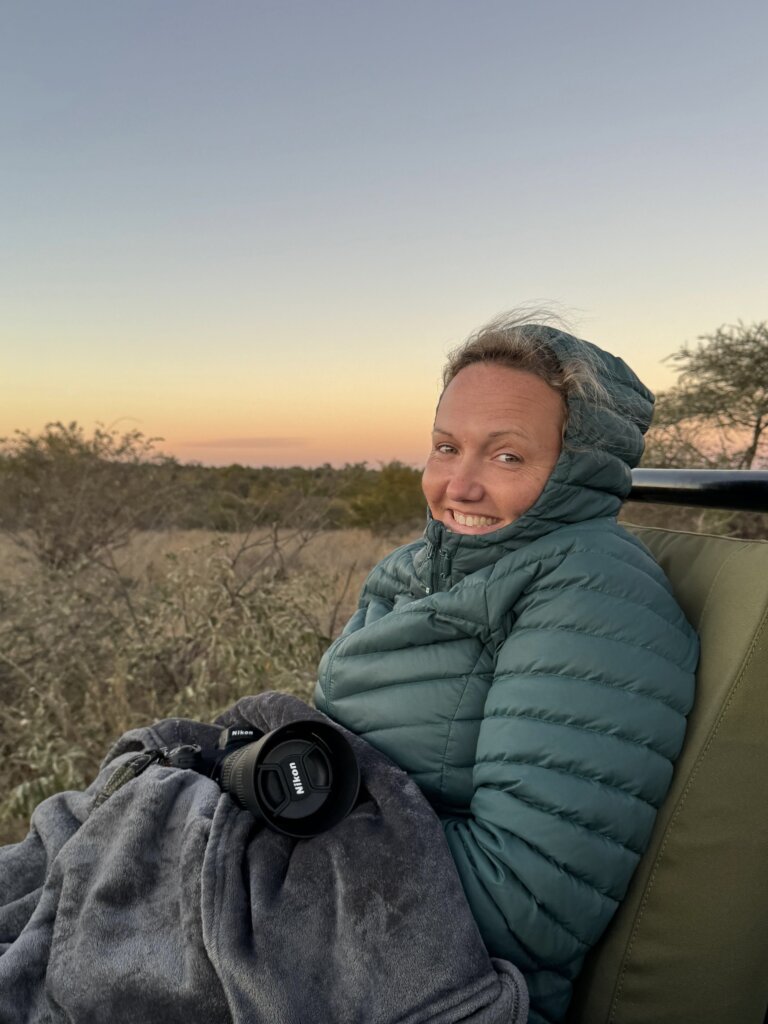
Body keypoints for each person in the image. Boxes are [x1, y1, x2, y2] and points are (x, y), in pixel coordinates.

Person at [314, 311, 699, 1024]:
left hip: (440, 979)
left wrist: (283, 849)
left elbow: (522, 903)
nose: (458, 486)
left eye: (506, 457)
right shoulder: (420, 566)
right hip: (350, 916)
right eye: (446, 447)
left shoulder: (595, 594)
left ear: (574, 468)